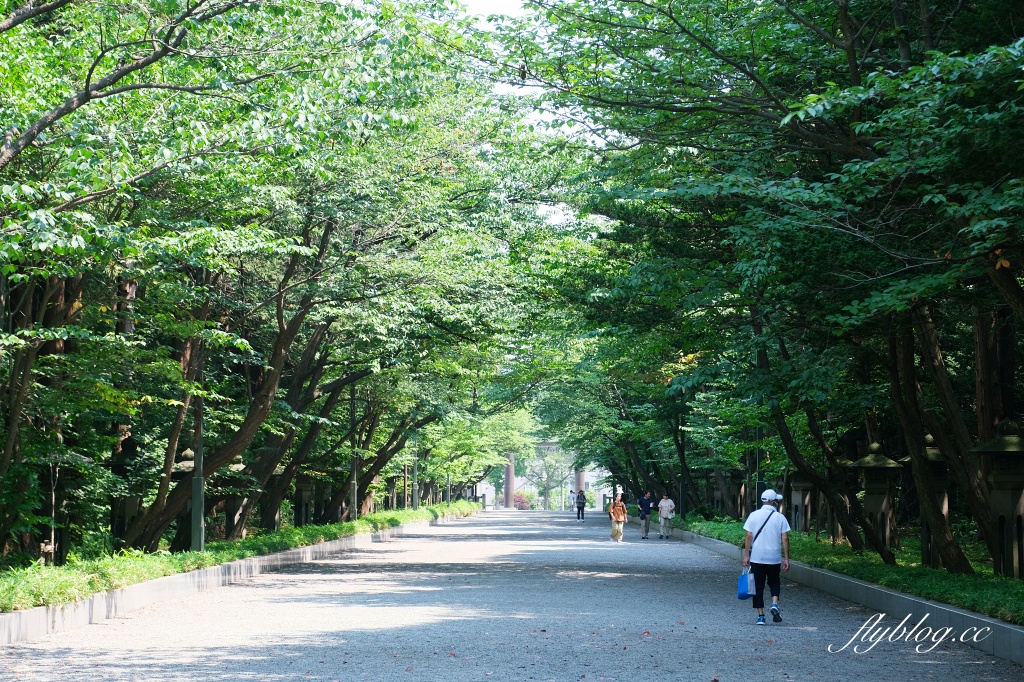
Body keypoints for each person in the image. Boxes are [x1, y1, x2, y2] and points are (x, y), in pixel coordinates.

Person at [742, 488, 791, 625]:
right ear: (774, 502)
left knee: (758, 586)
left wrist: (746, 555)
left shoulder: (753, 515)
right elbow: (785, 538)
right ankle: (774, 604)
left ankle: (761, 616)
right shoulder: (780, 517)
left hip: (757, 557)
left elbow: (749, 536)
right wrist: (786, 558)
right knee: (774, 582)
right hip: (774, 557)